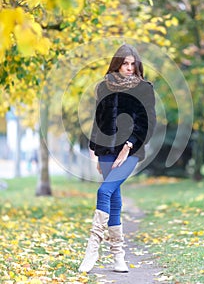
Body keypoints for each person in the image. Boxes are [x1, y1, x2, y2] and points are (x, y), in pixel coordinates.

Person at [78, 44, 156, 273]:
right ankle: (118, 257)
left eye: (133, 64)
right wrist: (94, 150)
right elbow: (98, 120)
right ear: (117, 64)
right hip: (105, 150)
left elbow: (147, 122)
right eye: (125, 63)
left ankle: (92, 249)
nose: (129, 68)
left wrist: (128, 145)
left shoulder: (144, 89)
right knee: (114, 199)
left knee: (104, 192)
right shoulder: (104, 87)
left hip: (130, 151)